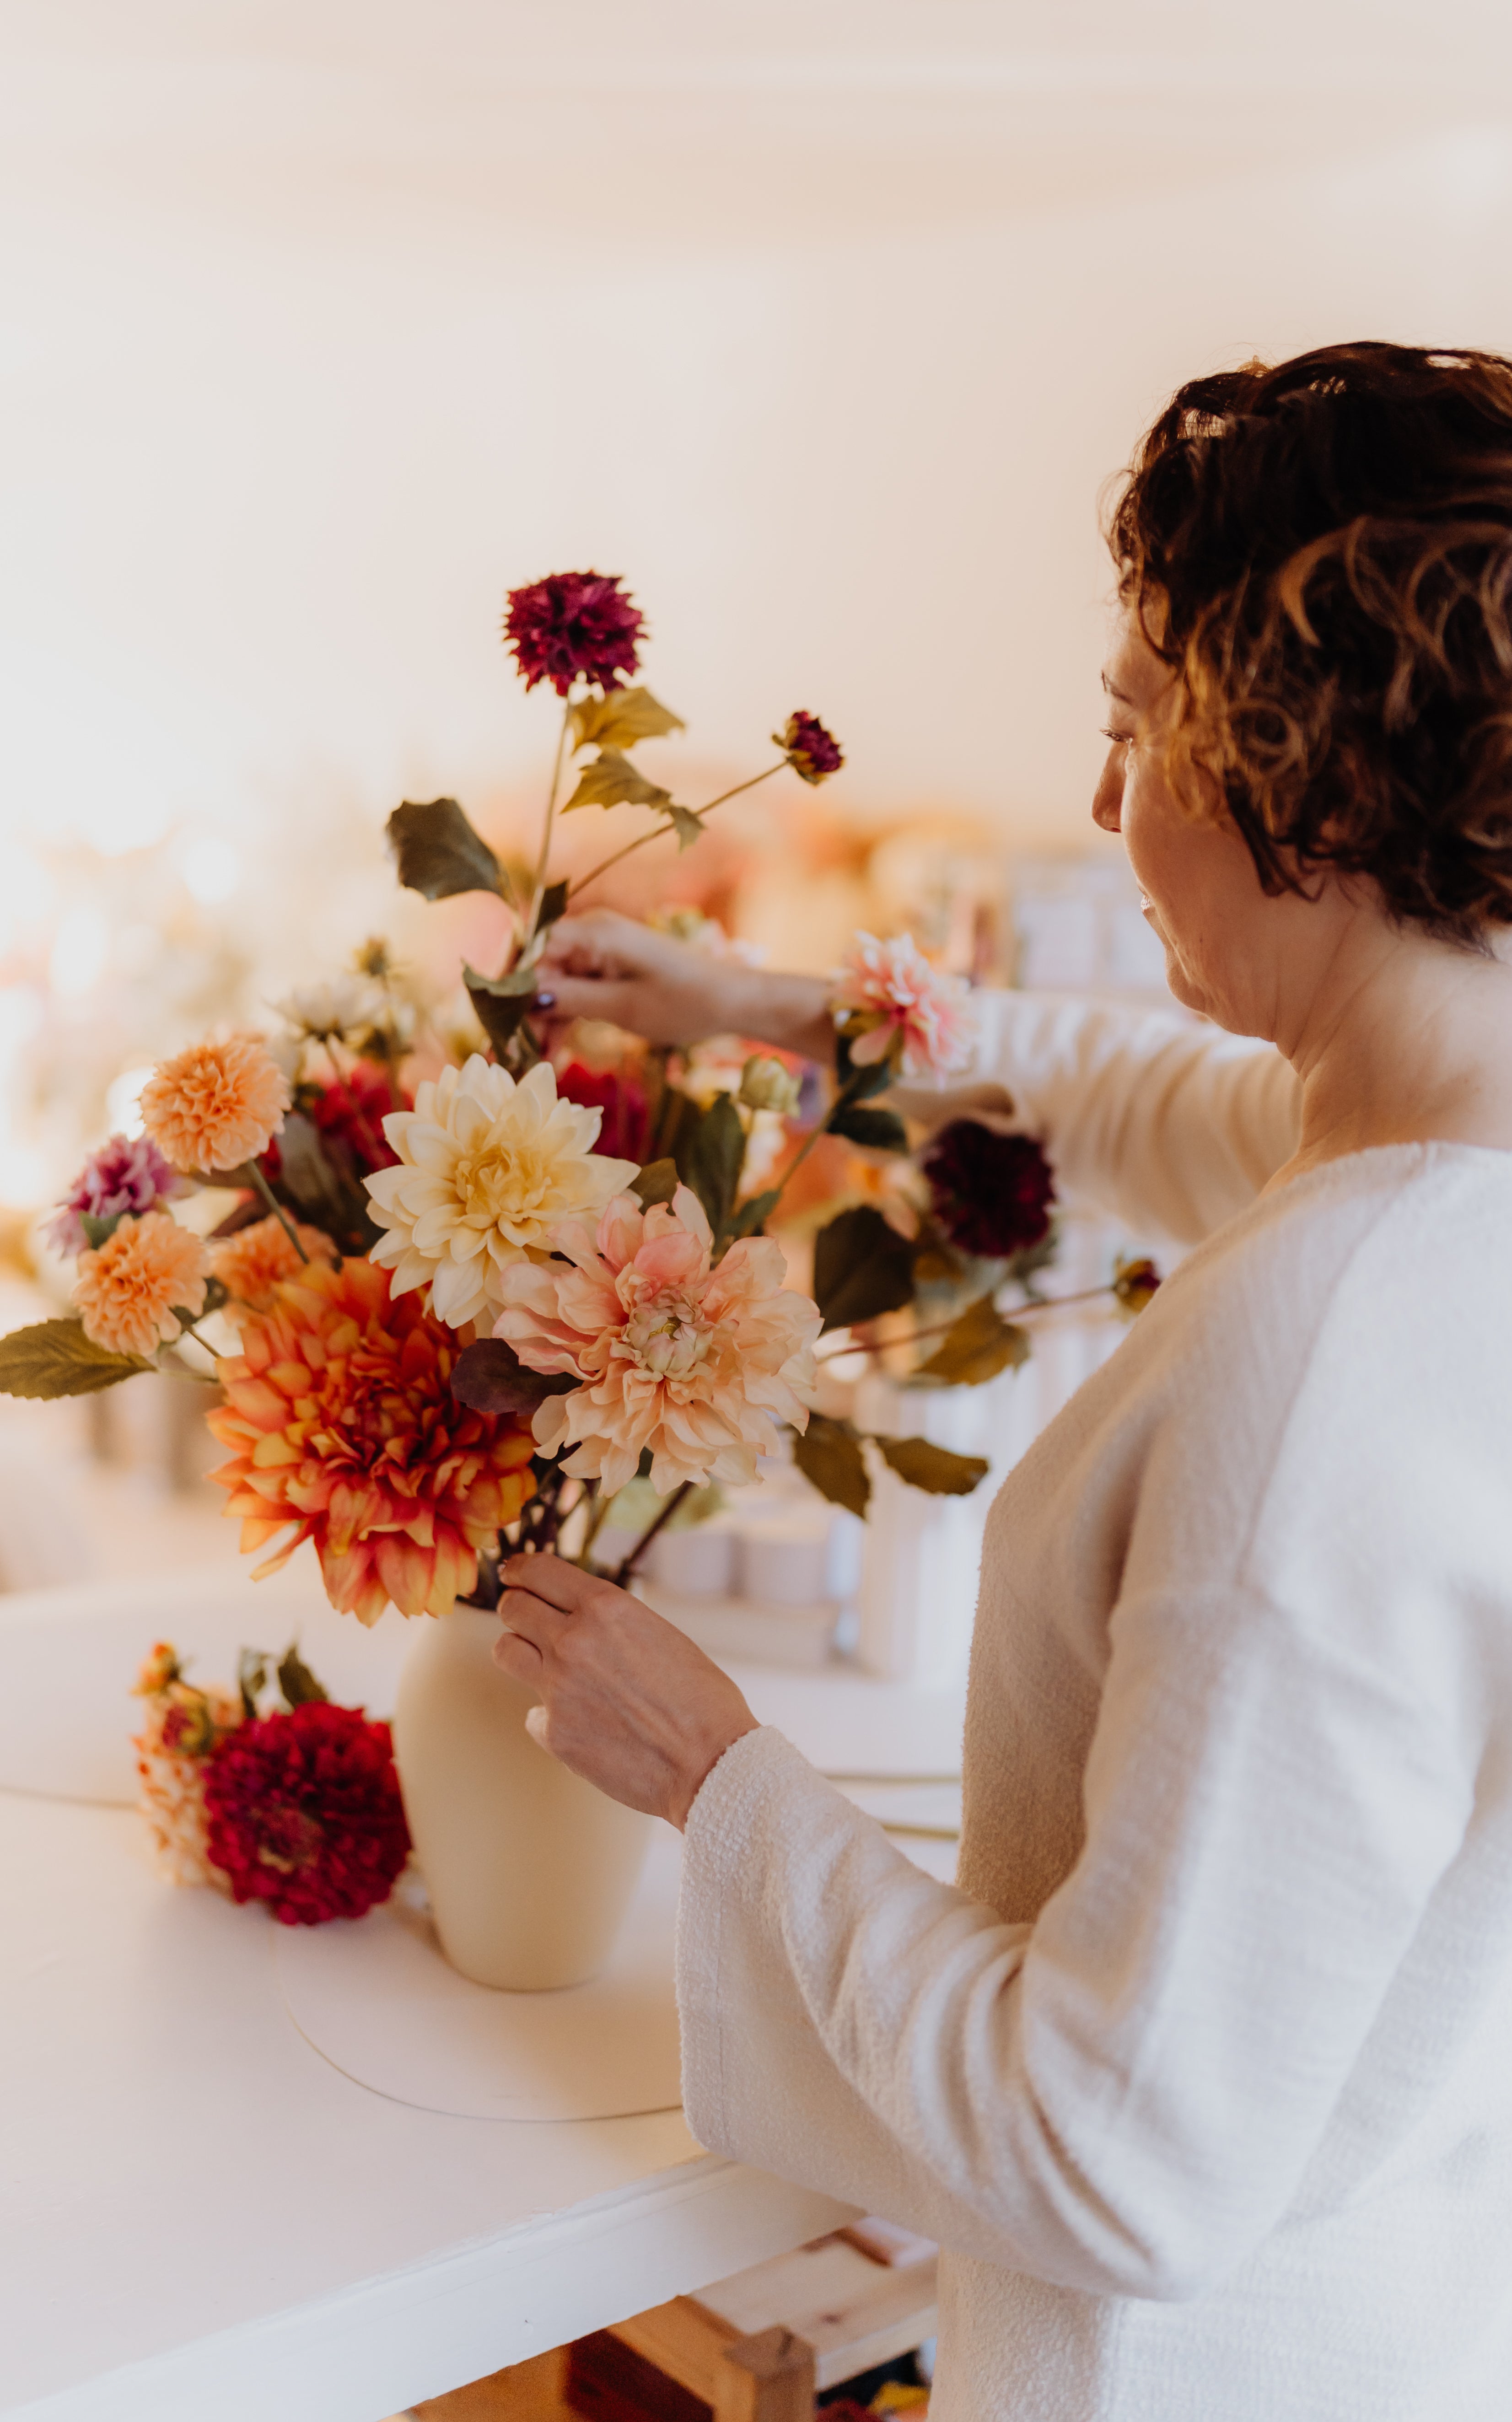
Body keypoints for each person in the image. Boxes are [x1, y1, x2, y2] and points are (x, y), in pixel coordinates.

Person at [492, 343, 1512, 2422]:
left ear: (1304, 781)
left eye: (1138, 730)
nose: (1106, 805)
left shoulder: (1323, 1365)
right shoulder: (1431, 1179)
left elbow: (1112, 2157)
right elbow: (1141, 1094)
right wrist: (778, 1008)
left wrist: (716, 1773)